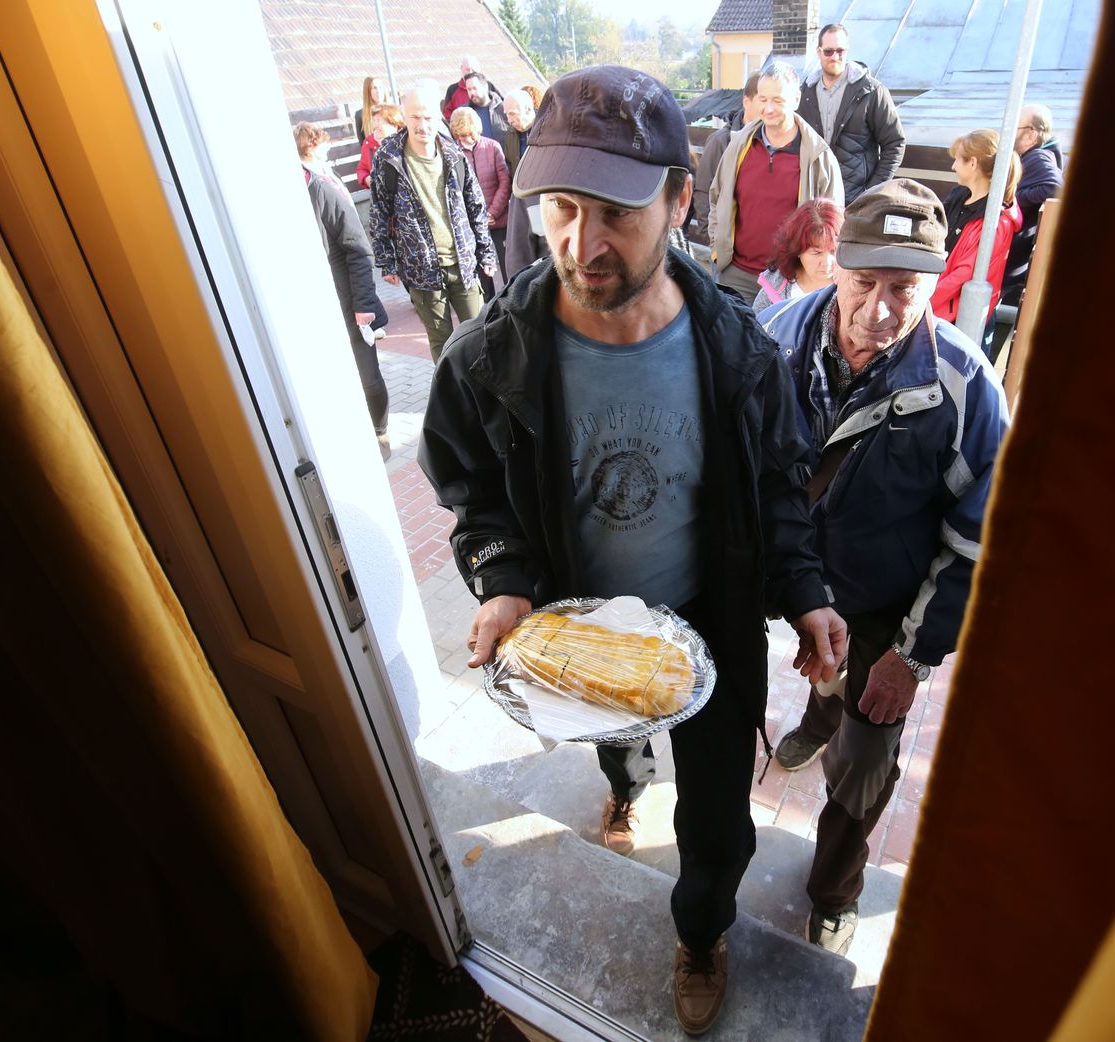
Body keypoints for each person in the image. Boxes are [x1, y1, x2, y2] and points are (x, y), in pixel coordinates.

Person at [417, 64, 847, 1036]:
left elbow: (778, 488)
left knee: (717, 818)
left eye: (615, 212)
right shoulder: (490, 359)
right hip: (580, 624)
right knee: (617, 751)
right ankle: (623, 785)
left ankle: (701, 930)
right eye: (561, 210)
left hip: (708, 622)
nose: (583, 243)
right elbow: (472, 491)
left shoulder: (739, 353)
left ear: (679, 201)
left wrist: (805, 589)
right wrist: (502, 581)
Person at [761, 178, 1010, 956]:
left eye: (903, 287)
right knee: (821, 678)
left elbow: (978, 538)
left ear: (934, 283)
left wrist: (912, 657)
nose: (878, 308)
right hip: (791, 572)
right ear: (833, 264)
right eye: (864, 280)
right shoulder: (775, 337)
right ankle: (817, 719)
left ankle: (833, 891)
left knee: (866, 761)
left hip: (882, 604)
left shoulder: (964, 386)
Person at [367, 83, 497, 363]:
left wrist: (486, 252)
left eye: (427, 117)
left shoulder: (453, 153)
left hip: (463, 264)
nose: (422, 125)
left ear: (438, 116)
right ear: (404, 116)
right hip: (421, 271)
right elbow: (379, 212)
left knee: (479, 336)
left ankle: (486, 389)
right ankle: (451, 389)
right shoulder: (388, 159)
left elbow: (475, 205)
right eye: (415, 117)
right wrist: (386, 261)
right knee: (442, 342)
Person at [709, 59, 843, 300]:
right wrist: (717, 248)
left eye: (777, 100)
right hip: (736, 275)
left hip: (789, 281)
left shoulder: (819, 157)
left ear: (796, 100)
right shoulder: (738, 146)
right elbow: (716, 198)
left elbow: (832, 225)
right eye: (763, 99)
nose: (768, 108)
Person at [300, 141, 392, 461]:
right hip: (313, 313)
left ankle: (380, 431)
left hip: (349, 305)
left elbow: (359, 250)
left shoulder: (321, 190)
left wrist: (364, 305)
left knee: (368, 380)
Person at [795, 23, 906, 201]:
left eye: (840, 51)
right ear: (818, 52)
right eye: (828, 51)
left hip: (856, 202)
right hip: (815, 200)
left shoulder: (871, 91)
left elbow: (895, 144)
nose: (835, 57)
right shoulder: (804, 93)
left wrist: (871, 193)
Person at [931, 129, 1022, 328]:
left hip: (956, 318)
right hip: (939, 306)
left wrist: (922, 297)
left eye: (957, 159)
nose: (953, 166)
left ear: (972, 163)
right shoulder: (960, 196)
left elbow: (962, 276)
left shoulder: (995, 222)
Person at [1001, 103, 1065, 307]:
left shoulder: (1038, 157)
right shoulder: (1034, 156)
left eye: (1015, 127)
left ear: (1030, 135)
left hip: (1011, 256)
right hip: (1013, 256)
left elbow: (1055, 188)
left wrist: (1014, 199)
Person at [686, 73, 761, 247]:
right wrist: (713, 242)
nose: (769, 108)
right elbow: (704, 191)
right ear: (747, 102)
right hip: (727, 246)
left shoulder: (773, 143)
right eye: (762, 100)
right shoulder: (721, 141)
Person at [449, 106, 511, 295]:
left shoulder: (492, 147)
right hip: (472, 225)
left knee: (507, 266)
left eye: (471, 134)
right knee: (484, 274)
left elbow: (505, 181)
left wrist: (493, 212)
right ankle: (489, 305)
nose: (468, 140)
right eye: (462, 136)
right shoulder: (453, 153)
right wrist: (476, 218)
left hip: (498, 219)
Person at [751, 197, 841, 314]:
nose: (827, 262)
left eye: (833, 251)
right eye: (817, 253)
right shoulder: (775, 287)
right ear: (797, 249)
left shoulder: (853, 287)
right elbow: (756, 323)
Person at [355, 103, 403, 190]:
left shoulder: (403, 142)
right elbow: (362, 169)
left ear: (393, 124)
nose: (375, 125)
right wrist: (367, 179)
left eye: (379, 121)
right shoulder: (369, 142)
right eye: (374, 120)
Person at [459, 72, 506, 141]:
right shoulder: (464, 113)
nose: (472, 92)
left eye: (475, 88)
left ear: (485, 87)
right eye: (469, 89)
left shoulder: (503, 108)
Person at [499, 90, 535, 177]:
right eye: (507, 114)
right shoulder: (510, 134)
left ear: (528, 109)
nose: (509, 120)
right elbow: (509, 166)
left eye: (512, 114)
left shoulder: (547, 131)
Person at [355, 75, 386, 144]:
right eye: (374, 88)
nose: (378, 91)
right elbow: (363, 144)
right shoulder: (360, 115)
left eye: (380, 87)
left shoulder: (394, 111)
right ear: (368, 92)